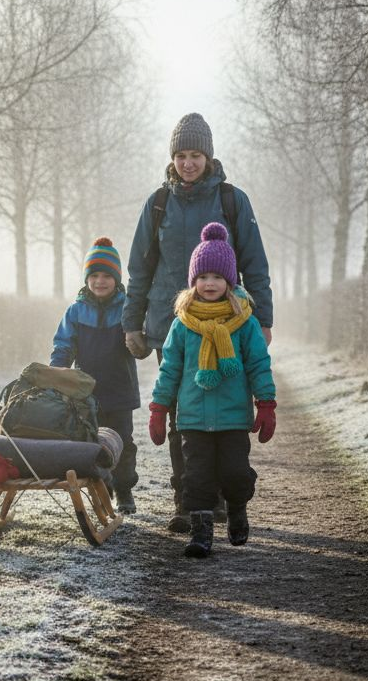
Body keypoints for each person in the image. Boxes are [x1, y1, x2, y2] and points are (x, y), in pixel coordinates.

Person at [122, 113, 274, 533]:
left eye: (196, 155)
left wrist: (263, 319)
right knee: (181, 417)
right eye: (181, 155)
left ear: (208, 157)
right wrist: (132, 322)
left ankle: (221, 497)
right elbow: (139, 269)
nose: (188, 163)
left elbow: (255, 263)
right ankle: (188, 501)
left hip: (229, 325)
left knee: (225, 412)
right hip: (172, 325)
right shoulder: (157, 204)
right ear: (172, 158)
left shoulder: (232, 200)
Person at [147, 223, 276, 557]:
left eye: (217, 277)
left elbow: (258, 364)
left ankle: (237, 510)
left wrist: (266, 403)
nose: (209, 283)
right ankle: (201, 533)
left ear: (230, 282)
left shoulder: (244, 322)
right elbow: (170, 369)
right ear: (193, 281)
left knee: (234, 474)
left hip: (233, 418)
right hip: (192, 418)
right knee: (196, 478)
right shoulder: (182, 323)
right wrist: (159, 408)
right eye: (203, 277)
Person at [50, 237, 140, 514]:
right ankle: (102, 487)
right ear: (86, 279)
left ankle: (124, 490)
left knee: (123, 442)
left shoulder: (127, 308)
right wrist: (57, 374)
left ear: (116, 279)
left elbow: (139, 342)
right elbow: (63, 345)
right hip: (86, 392)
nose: (100, 281)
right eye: (94, 276)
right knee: (90, 443)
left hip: (120, 389)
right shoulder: (76, 311)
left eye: (107, 276)